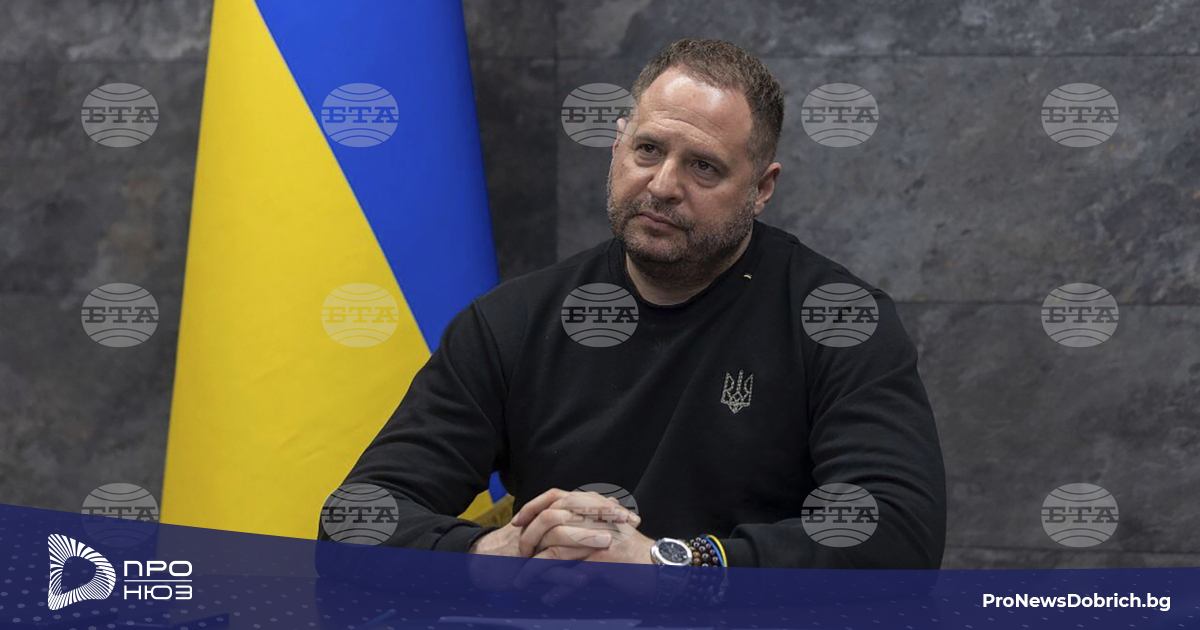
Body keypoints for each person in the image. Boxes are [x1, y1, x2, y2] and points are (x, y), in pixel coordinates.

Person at [321, 38, 946, 576]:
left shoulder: (837, 320)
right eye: (648, 150)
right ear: (617, 146)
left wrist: (671, 565)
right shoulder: (511, 323)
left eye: (704, 167)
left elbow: (897, 531)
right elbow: (353, 519)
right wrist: (491, 553)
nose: (664, 185)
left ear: (761, 189)